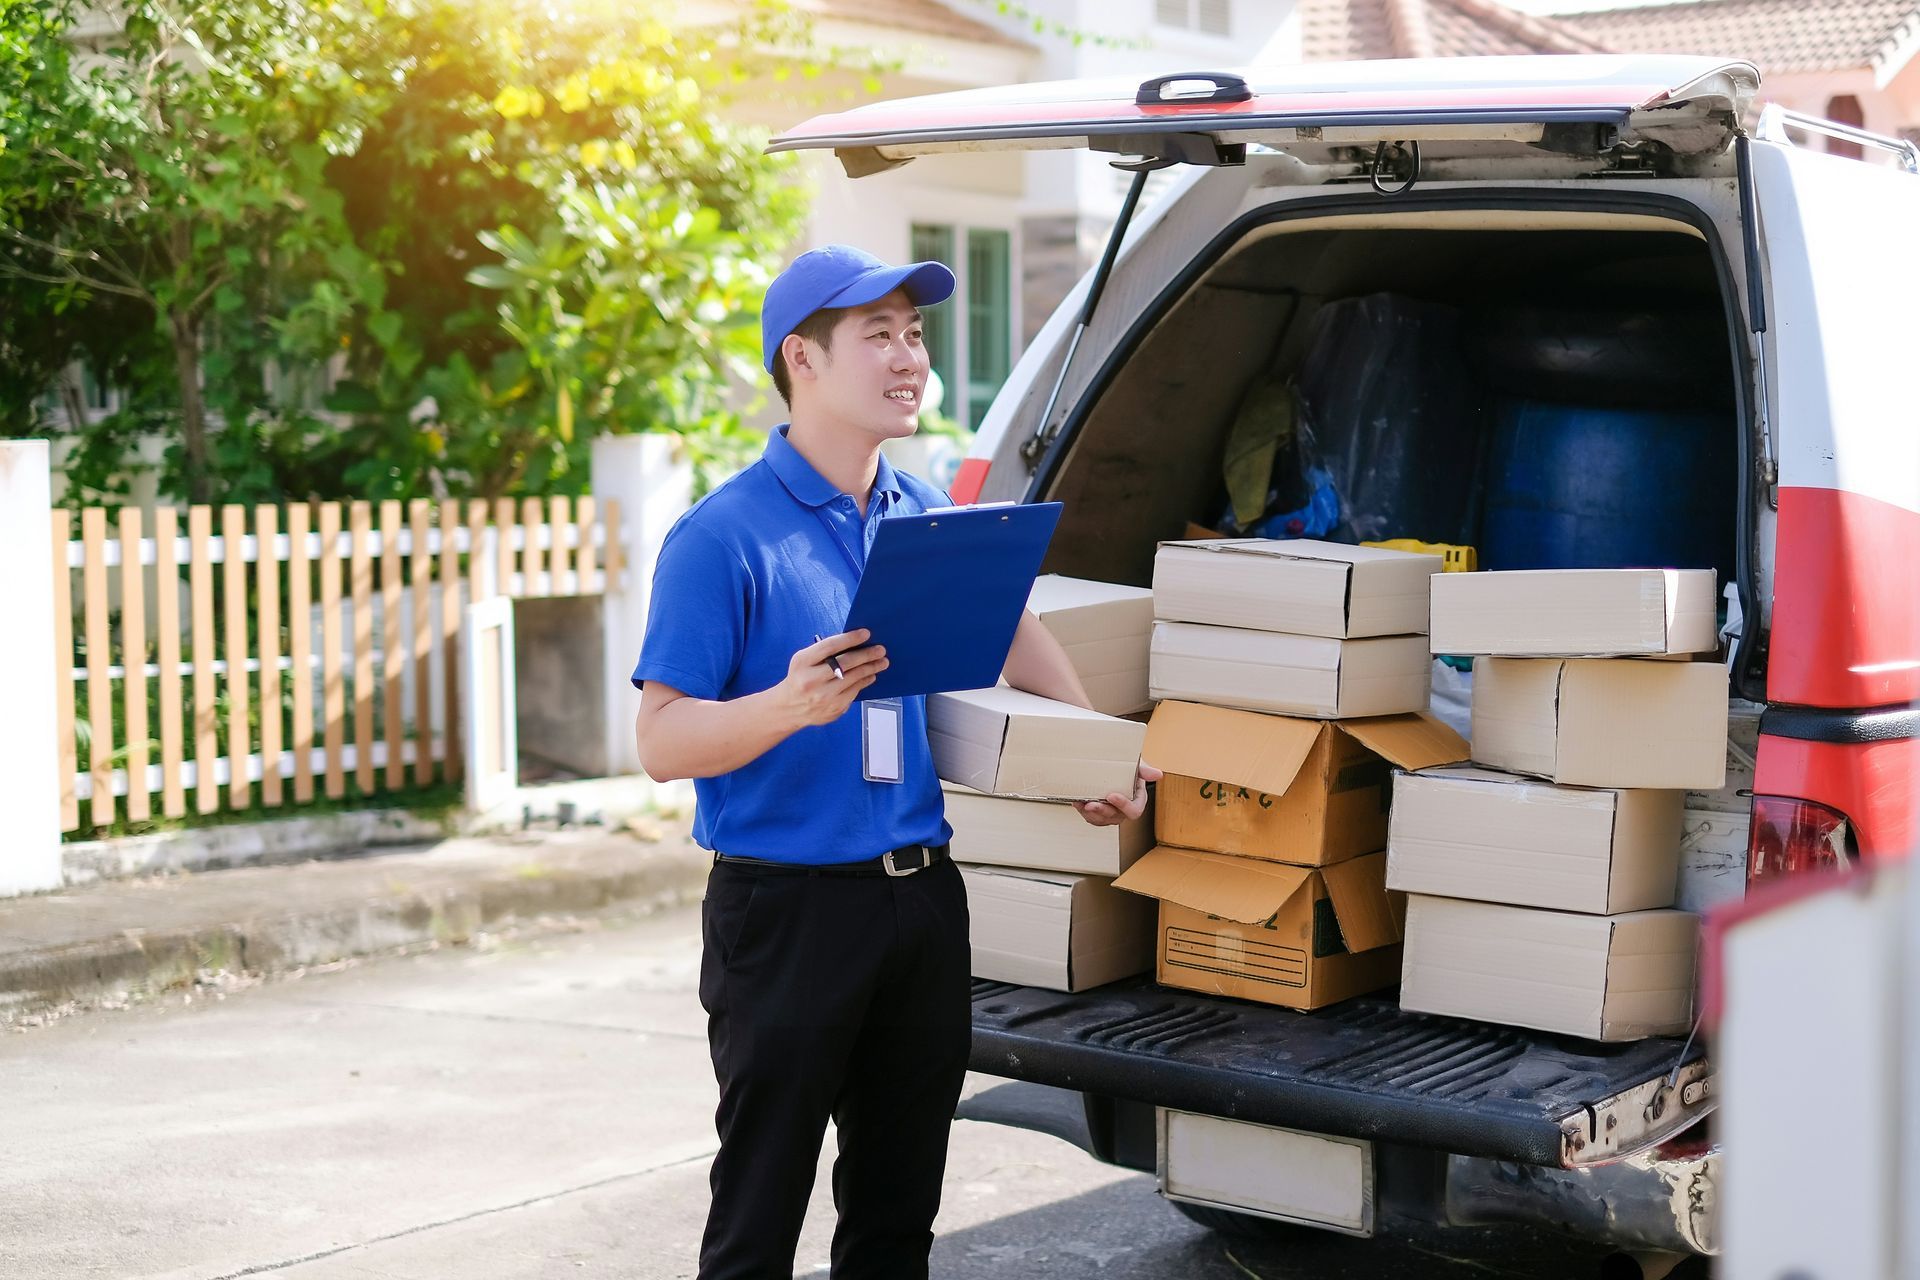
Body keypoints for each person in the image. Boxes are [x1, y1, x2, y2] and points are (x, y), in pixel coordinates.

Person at [631, 244, 1159, 1280]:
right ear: (804, 359)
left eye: (914, 333)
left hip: (919, 906)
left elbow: (1011, 628)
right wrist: (786, 705)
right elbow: (660, 740)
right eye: (878, 333)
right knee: (759, 1213)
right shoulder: (721, 537)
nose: (910, 355)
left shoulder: (918, 513)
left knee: (896, 1215)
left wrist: (1097, 747)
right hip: (785, 914)